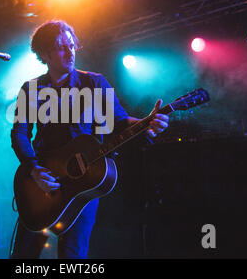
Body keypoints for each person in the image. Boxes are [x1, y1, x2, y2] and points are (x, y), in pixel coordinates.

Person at [10, 20, 169, 259]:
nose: (70, 51)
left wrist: (147, 123)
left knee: (73, 256)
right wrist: (33, 169)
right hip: (41, 184)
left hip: (83, 181)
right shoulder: (31, 89)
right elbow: (20, 133)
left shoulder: (94, 82)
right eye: (61, 47)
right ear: (45, 53)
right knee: (23, 256)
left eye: (72, 45)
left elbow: (119, 121)